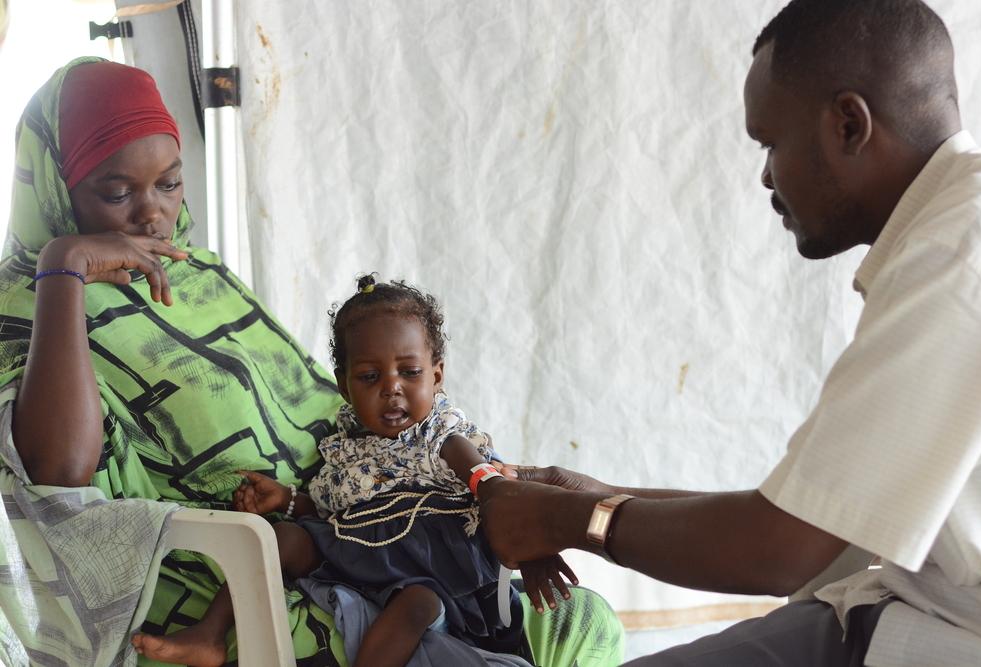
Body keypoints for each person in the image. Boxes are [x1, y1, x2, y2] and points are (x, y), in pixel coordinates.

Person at [0, 57, 624, 666]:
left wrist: (313, 501)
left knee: (581, 621)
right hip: (237, 576)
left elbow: (334, 413)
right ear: (55, 187)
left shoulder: (203, 276)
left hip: (355, 526)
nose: (152, 213)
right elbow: (59, 473)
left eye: (169, 182)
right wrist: (65, 266)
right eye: (116, 192)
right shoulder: (26, 309)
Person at [479, 0, 981, 664]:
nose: (765, 175)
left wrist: (569, 520)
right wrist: (599, 496)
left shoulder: (960, 257)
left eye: (770, 142)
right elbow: (824, 518)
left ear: (848, 123)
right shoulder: (957, 229)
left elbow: (781, 549)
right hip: (904, 612)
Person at [131, 275, 578, 667]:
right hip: (357, 553)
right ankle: (210, 634)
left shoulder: (443, 434)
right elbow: (332, 508)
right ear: (345, 386)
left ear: (436, 377)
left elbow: (487, 480)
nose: (392, 389)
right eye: (369, 377)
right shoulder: (344, 446)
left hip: (431, 571)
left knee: (414, 606)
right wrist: (286, 500)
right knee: (279, 536)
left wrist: (531, 546)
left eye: (410, 372)